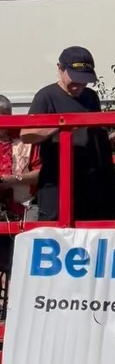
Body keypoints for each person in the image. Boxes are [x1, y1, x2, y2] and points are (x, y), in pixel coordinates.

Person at [20, 47, 115, 222]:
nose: (79, 85)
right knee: (56, 227)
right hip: (58, 179)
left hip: (93, 180)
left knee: (97, 227)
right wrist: (61, 127)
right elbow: (27, 135)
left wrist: (106, 139)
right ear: (60, 69)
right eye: (74, 79)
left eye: (84, 81)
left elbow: (89, 131)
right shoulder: (46, 96)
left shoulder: (91, 97)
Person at [0, 95, 41, 318]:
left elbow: (40, 172)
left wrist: (14, 179)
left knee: (22, 261)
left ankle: (18, 310)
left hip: (22, 206)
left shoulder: (26, 138)